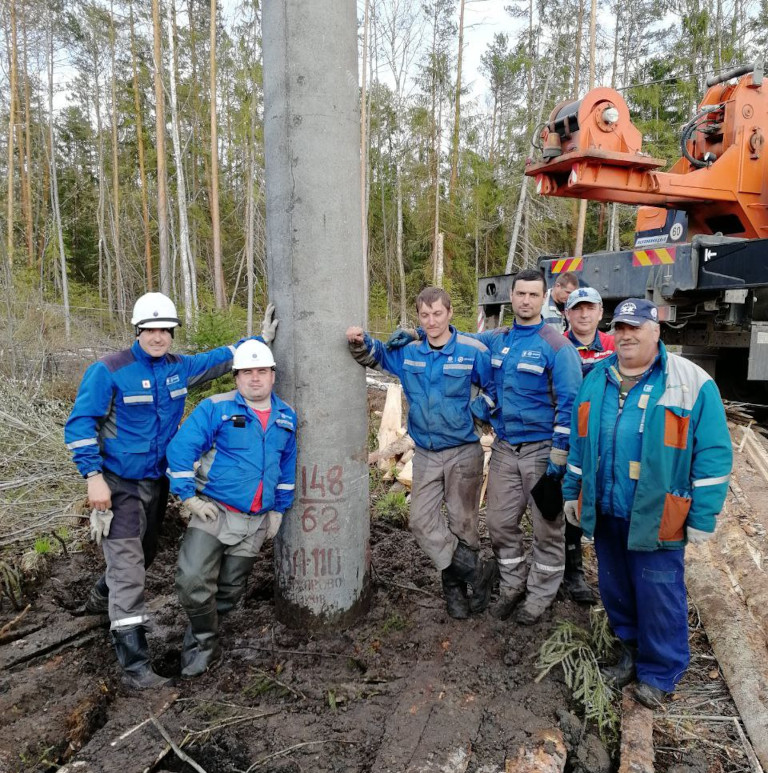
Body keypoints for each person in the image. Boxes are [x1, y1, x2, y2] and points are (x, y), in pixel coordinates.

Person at [64, 292, 277, 689]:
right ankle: (136, 667)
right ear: (137, 330)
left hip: (157, 482)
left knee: (144, 554)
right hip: (118, 483)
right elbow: (79, 425)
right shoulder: (109, 371)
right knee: (130, 570)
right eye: (151, 330)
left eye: (165, 330)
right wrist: (93, 476)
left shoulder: (178, 369)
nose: (158, 336)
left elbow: (220, 359)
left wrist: (258, 342)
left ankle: (100, 598)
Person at [562, 298, 732, 708]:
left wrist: (703, 515)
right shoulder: (597, 378)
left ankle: (660, 671)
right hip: (606, 508)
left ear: (656, 331)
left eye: (635, 328)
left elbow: (713, 453)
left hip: (658, 514)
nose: (626, 336)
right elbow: (580, 442)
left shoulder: (690, 382)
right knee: (615, 587)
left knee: (659, 592)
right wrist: (572, 490)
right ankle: (630, 650)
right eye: (620, 328)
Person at [346, 287, 497, 619]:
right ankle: (477, 572)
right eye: (425, 315)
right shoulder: (410, 352)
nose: (431, 321)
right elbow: (378, 356)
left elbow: (495, 388)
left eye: (437, 314)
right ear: (419, 317)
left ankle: (456, 593)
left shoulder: (472, 351)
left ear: (450, 313)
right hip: (426, 453)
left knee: (463, 523)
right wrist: (360, 340)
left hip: (463, 451)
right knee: (420, 522)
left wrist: (477, 413)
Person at [166, 339, 297, 677]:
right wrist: (188, 497)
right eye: (247, 372)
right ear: (236, 377)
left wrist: (279, 510)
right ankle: (207, 645)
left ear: (273, 375)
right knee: (192, 580)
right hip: (214, 511)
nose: (255, 378)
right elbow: (181, 449)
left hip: (255, 521)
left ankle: (197, 643)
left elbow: (286, 467)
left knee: (229, 591)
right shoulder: (216, 408)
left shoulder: (286, 417)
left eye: (262, 371)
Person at [471, 269, 583, 624]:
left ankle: (539, 596)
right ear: (511, 296)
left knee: (546, 529)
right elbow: (459, 339)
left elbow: (570, 404)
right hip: (505, 448)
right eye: (520, 294)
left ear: (544, 298)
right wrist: (417, 334)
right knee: (499, 523)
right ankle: (512, 585)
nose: (525, 300)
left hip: (541, 450)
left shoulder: (557, 347)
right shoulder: (498, 339)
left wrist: (559, 458)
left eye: (534, 295)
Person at [558, 286, 616, 603]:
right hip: (565, 438)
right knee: (566, 502)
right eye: (577, 308)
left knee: (601, 502)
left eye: (589, 308)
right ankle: (570, 571)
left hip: (602, 441)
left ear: (600, 312)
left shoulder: (612, 346)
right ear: (567, 313)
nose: (583, 314)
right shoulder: (557, 346)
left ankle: (607, 573)